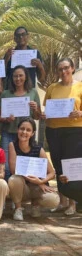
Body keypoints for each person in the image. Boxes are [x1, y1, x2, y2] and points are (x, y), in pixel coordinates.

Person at [44, 57, 82, 215]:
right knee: (58, 165)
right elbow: (47, 109)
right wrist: (42, 114)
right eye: (60, 69)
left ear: (72, 68)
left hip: (74, 131)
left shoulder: (80, 87)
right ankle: (62, 201)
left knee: (71, 166)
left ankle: (73, 203)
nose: (63, 71)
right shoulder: (52, 88)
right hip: (54, 131)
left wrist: (80, 113)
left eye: (66, 68)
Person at [8, 118, 59, 221]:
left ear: (32, 133)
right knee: (14, 178)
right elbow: (14, 170)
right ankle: (18, 209)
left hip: (37, 186)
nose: (24, 132)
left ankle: (35, 205)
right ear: (17, 130)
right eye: (22, 129)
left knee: (53, 200)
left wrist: (41, 181)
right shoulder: (12, 145)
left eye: (28, 130)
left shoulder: (39, 149)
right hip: (23, 186)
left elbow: (52, 173)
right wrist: (35, 181)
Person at [0, 65, 41, 180]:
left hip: (26, 135)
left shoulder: (33, 93)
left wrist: (35, 109)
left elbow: (37, 116)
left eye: (20, 75)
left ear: (26, 77)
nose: (18, 78)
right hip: (9, 133)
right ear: (12, 78)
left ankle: (23, 188)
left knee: (25, 163)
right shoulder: (5, 94)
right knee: (6, 165)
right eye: (15, 76)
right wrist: (6, 119)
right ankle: (7, 191)